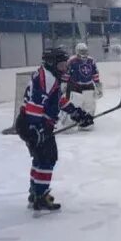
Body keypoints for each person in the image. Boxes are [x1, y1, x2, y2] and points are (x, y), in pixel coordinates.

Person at [15, 48, 94, 214]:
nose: (65, 68)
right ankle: (41, 196)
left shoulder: (48, 76)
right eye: (62, 64)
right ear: (52, 63)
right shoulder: (47, 79)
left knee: (39, 159)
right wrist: (36, 129)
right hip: (33, 123)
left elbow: (58, 101)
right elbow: (34, 107)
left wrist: (77, 113)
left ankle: (35, 193)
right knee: (47, 159)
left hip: (30, 123)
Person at [63, 42, 102, 129]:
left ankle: (87, 122)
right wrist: (64, 84)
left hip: (89, 86)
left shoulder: (91, 60)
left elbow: (95, 74)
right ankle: (71, 123)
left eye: (85, 51)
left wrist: (98, 87)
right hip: (75, 86)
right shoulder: (71, 61)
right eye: (81, 51)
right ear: (77, 51)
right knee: (76, 104)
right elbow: (66, 74)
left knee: (90, 104)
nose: (84, 53)